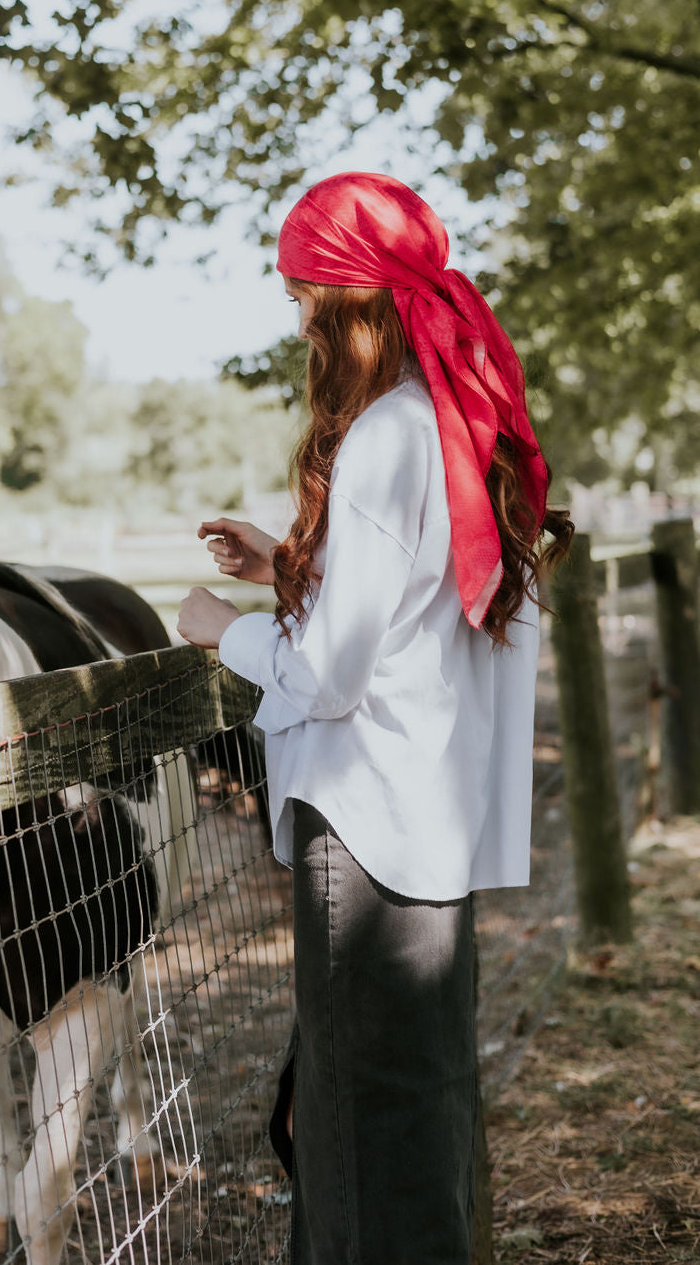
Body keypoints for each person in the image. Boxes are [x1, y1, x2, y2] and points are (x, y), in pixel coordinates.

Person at [176, 172, 572, 1264]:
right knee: (410, 1100)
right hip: (425, 811)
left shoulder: (384, 440)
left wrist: (225, 629)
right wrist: (292, 563)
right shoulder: (444, 425)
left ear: (355, 302)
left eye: (307, 293)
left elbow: (334, 675)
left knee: (354, 1126)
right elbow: (408, 609)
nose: (298, 318)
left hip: (364, 819)